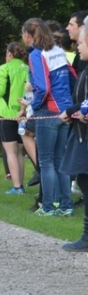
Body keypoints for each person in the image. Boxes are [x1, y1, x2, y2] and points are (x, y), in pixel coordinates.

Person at [23, 17, 76, 216]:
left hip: (48, 111)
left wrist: (34, 105)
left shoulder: (36, 54)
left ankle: (47, 207)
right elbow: (73, 79)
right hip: (65, 111)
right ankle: (66, 206)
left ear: (28, 35)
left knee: (46, 161)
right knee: (60, 159)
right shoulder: (58, 50)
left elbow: (43, 87)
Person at [0, 42, 29, 194]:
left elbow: (0, 91)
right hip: (23, 113)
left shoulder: (5, 68)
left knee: (11, 152)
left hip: (7, 114)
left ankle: (17, 187)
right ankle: (20, 184)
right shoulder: (27, 68)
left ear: (9, 54)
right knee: (20, 152)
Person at [60, 17, 88, 250]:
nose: (78, 48)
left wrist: (71, 111)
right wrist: (74, 112)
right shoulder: (85, 70)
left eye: (81, 44)